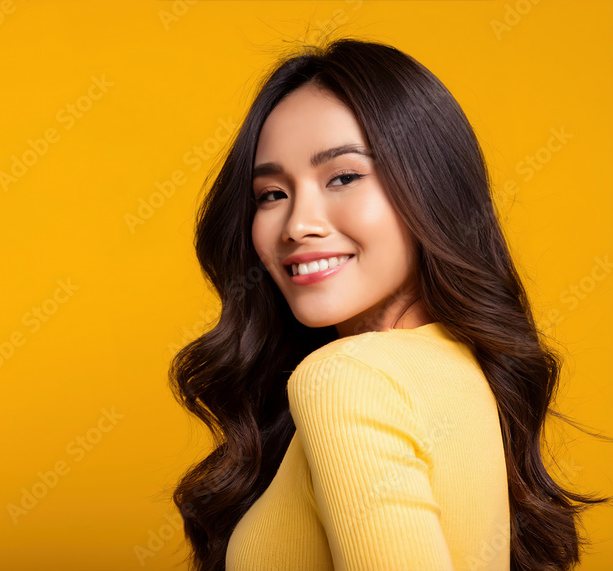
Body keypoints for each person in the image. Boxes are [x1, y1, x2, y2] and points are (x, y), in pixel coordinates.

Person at [168, 37, 610, 571]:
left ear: (429, 188)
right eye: (272, 194)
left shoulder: (347, 377)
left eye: (344, 177)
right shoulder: (461, 369)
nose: (299, 224)